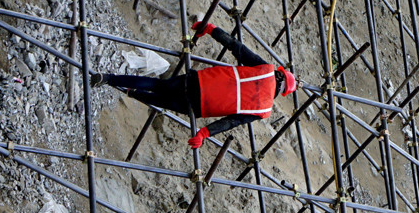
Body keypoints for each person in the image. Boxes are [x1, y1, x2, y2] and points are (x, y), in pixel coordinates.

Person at [96, 20, 297, 149]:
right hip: (200, 106)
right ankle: (131, 93)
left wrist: (211, 29)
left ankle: (108, 78)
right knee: (162, 101)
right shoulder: (264, 111)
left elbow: (237, 47)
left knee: (157, 85)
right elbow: (230, 122)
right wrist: (204, 134)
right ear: (282, 93)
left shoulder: (265, 69)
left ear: (280, 73)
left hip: (199, 81)